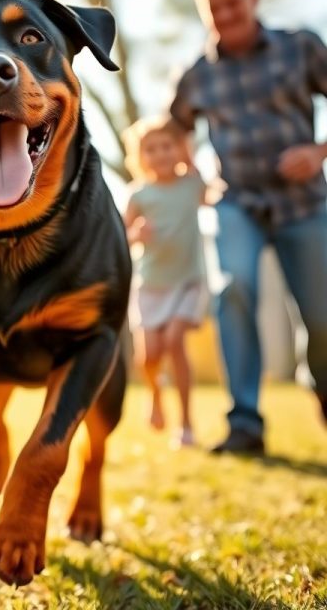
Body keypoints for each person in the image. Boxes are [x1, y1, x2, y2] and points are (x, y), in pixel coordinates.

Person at [170, 0, 327, 454]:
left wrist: (318, 152)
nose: (224, 14)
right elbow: (175, 131)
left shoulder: (300, 47)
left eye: (232, 3)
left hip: (305, 202)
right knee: (233, 288)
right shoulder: (197, 74)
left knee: (322, 317)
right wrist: (189, 177)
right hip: (235, 202)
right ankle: (244, 422)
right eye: (213, 8)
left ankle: (323, 386)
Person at [122, 115, 209, 449]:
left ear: (181, 149)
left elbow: (210, 194)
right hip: (150, 285)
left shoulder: (192, 184)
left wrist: (190, 155)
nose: (160, 154)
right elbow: (121, 236)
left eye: (167, 146)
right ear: (140, 157)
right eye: (151, 149)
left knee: (175, 341)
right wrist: (135, 234)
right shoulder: (139, 194)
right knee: (149, 357)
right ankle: (155, 395)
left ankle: (186, 423)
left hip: (187, 282)